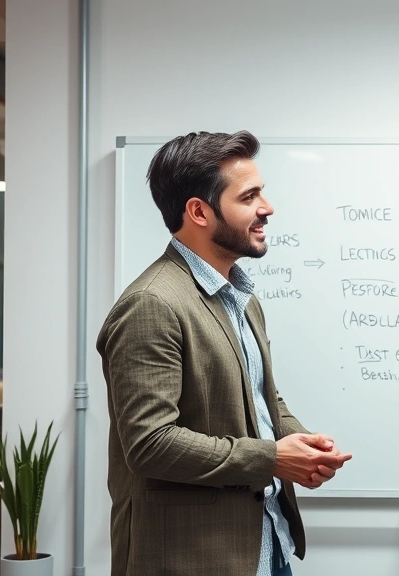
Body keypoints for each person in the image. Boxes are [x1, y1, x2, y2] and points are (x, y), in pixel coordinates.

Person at [97, 130, 352, 576]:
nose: (266, 208)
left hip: (266, 541)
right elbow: (150, 444)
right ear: (199, 210)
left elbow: (257, 399)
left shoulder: (241, 298)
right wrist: (272, 457)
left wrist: (302, 444)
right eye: (249, 196)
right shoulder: (152, 304)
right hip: (195, 558)